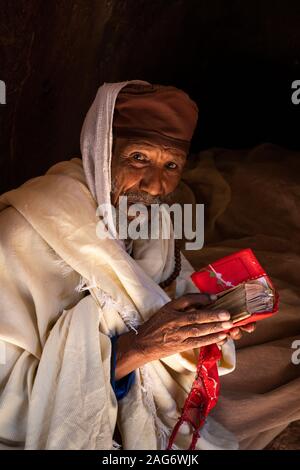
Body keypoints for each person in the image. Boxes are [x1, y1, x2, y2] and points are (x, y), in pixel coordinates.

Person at [0, 80, 255, 450]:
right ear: (100, 151)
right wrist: (136, 350)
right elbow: (7, 396)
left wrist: (205, 327)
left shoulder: (152, 222)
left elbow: (167, 298)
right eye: (138, 157)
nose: (155, 185)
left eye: (171, 165)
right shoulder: (21, 235)